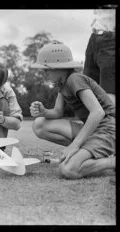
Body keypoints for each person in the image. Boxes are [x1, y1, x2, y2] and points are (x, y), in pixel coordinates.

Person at [30, 42, 115, 179]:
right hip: (94, 129)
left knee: (68, 170)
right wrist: (44, 112)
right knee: (39, 124)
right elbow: (58, 112)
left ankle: (111, 161)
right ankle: (87, 151)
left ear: (58, 67)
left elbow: (98, 112)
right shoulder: (62, 84)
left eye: (46, 69)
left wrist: (75, 145)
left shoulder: (75, 79)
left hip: (108, 129)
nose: (44, 73)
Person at [83, 9, 115, 104]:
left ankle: (110, 118)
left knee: (108, 91)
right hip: (94, 36)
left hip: (110, 37)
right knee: (87, 89)